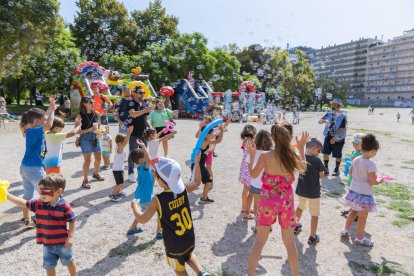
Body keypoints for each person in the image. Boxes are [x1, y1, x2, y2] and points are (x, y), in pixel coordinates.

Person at [130, 155, 210, 276]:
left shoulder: (158, 200)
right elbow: (198, 182)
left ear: (161, 180)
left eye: (155, 175)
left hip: (174, 245)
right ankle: (202, 273)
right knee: (188, 254)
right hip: (188, 236)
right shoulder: (183, 187)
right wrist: (198, 163)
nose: (154, 176)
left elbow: (142, 219)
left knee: (179, 269)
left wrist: (134, 205)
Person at [246, 122, 309, 276]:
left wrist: (253, 156)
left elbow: (253, 175)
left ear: (272, 137)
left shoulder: (266, 156)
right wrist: (301, 148)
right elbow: (303, 169)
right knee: (289, 243)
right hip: (286, 201)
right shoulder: (291, 155)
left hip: (267, 200)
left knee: (259, 241)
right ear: (289, 137)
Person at [6, 174, 77, 275]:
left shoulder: (65, 206)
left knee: (69, 261)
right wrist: (8, 196)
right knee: (49, 265)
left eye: (46, 191)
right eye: (41, 190)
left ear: (59, 191)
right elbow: (23, 203)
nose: (42, 194)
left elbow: (72, 220)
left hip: (63, 243)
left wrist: (70, 237)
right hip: (47, 244)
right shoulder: (39, 204)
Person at [19, 96, 56, 228]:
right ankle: (42, 219)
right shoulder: (36, 130)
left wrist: (51, 106)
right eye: (43, 120)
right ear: (37, 121)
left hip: (25, 167)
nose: (45, 120)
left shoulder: (29, 128)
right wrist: (53, 111)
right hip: (34, 168)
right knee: (47, 193)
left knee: (27, 195)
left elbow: (42, 117)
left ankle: (25, 217)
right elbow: (49, 124)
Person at [341, 134, 382, 247]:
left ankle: (345, 229)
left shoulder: (356, 159)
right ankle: (359, 238)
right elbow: (373, 182)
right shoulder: (371, 164)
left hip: (353, 192)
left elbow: (350, 173)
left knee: (353, 211)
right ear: (373, 151)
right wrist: (380, 180)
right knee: (362, 217)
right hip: (364, 195)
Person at [127, 140, 162, 238]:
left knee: (141, 213)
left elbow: (152, 176)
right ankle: (159, 231)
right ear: (140, 161)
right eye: (144, 158)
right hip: (145, 196)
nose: (146, 159)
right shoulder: (143, 167)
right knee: (160, 210)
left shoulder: (143, 168)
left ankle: (132, 228)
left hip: (141, 195)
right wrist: (143, 146)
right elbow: (149, 159)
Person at [294, 138, 325, 245]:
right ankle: (312, 236)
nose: (319, 153)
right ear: (314, 148)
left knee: (300, 207)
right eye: (319, 151)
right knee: (314, 214)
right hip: (314, 192)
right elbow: (322, 176)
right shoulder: (317, 161)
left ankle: (295, 226)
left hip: (302, 190)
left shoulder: (300, 157)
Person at [75, 96, 104, 189]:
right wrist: (89, 129)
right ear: (84, 104)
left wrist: (102, 131)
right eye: (91, 102)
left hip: (96, 137)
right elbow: (76, 131)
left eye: (93, 102)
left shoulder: (97, 113)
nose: (93, 104)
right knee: (88, 159)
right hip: (85, 138)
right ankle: (85, 180)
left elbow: (99, 126)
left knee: (98, 158)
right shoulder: (79, 116)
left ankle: (95, 173)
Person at [245, 129, 273, 224]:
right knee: (262, 203)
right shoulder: (269, 153)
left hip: (254, 180)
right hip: (264, 183)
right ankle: (258, 223)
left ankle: (247, 213)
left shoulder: (253, 151)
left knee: (252, 197)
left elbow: (249, 167)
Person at [127, 86, 154, 182]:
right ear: (134, 93)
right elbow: (133, 114)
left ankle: (142, 172)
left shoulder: (144, 103)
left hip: (143, 134)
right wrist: (145, 110)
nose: (142, 94)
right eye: (140, 93)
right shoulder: (131, 102)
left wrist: (150, 127)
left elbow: (146, 119)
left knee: (143, 154)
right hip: (134, 133)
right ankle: (130, 173)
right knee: (133, 154)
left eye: (143, 93)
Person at [192, 124, 224, 203]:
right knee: (209, 181)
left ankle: (204, 197)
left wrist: (220, 130)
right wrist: (222, 131)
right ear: (207, 134)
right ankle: (204, 197)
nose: (213, 134)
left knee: (195, 183)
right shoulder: (205, 141)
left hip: (198, 165)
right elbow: (218, 141)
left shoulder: (204, 138)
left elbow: (215, 134)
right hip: (199, 166)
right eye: (212, 133)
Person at [319, 98, 347, 176]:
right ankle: (326, 168)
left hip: (338, 138)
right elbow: (319, 121)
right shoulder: (328, 114)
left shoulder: (342, 116)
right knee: (325, 152)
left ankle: (336, 169)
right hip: (328, 136)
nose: (332, 106)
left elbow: (341, 129)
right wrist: (324, 121)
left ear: (339, 106)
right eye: (332, 104)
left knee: (337, 154)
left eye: (334, 105)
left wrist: (335, 138)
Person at [341, 133, 365, 218]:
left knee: (356, 195)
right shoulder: (354, 152)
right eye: (353, 143)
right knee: (352, 194)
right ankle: (351, 210)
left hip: (358, 178)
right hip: (352, 177)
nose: (354, 145)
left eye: (357, 143)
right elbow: (352, 162)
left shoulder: (363, 155)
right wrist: (347, 166)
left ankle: (355, 214)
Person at [109, 126, 133, 201]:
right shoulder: (119, 148)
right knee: (119, 184)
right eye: (124, 141)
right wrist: (129, 133)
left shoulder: (119, 148)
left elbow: (121, 158)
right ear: (121, 141)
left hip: (120, 168)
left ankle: (118, 192)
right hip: (117, 169)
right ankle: (112, 194)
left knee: (121, 183)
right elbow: (126, 142)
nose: (125, 142)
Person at [239, 124, 257, 213]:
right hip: (249, 167)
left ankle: (243, 206)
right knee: (252, 190)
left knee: (245, 189)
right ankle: (248, 208)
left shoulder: (244, 142)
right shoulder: (253, 142)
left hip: (244, 167)